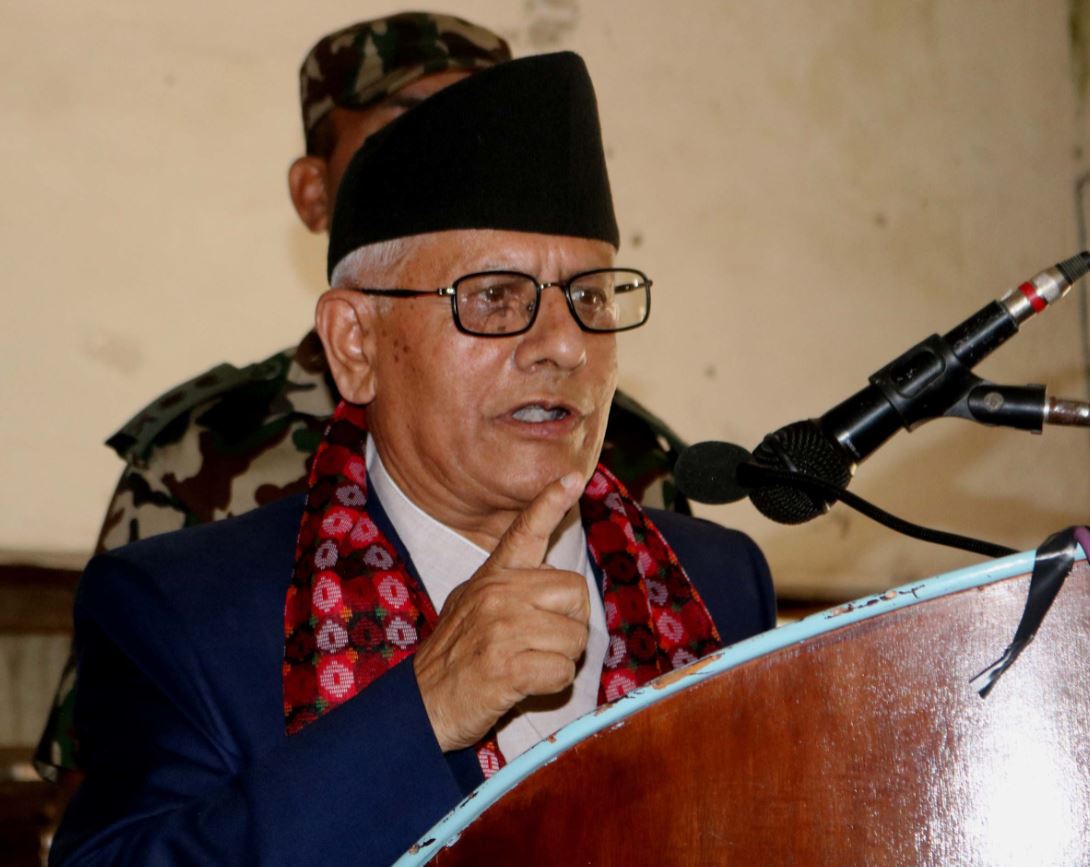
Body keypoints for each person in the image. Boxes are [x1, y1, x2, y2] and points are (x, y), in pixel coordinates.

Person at [50, 52, 773, 867]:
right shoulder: (190, 613)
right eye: (495, 296)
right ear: (355, 344)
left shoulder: (717, 583)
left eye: (591, 296)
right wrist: (422, 710)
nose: (565, 345)